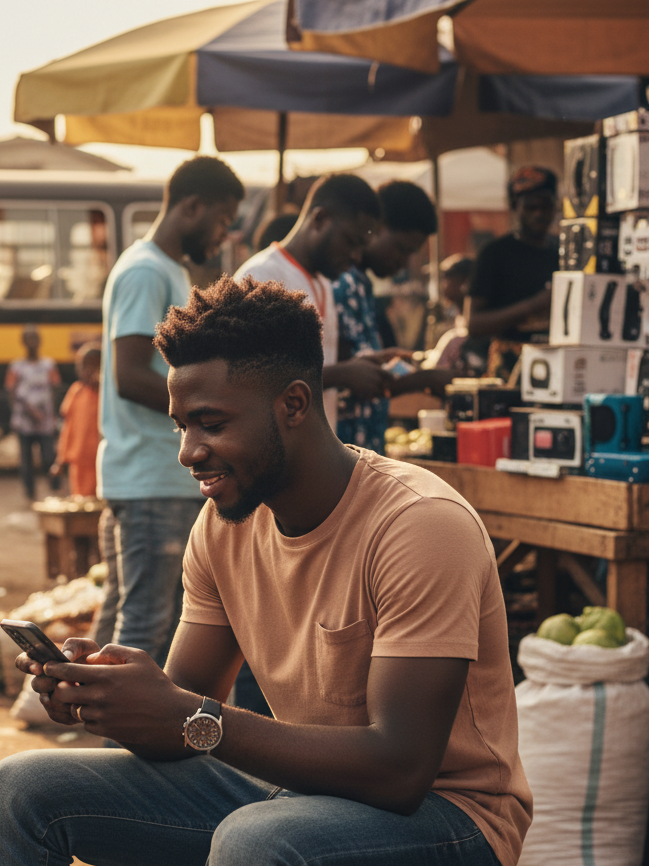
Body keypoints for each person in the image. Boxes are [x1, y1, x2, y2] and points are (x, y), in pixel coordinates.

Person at [0, 276, 531, 866]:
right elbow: (180, 727)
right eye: (180, 424)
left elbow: (401, 772)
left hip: (451, 831)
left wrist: (192, 717)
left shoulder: (419, 525)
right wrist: (110, 697)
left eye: (209, 423)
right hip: (299, 806)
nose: (188, 451)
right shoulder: (224, 525)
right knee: (20, 790)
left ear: (294, 405)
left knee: (255, 845)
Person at [94, 155, 244, 664]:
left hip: (146, 475)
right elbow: (131, 374)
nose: (223, 236)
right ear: (192, 206)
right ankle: (119, 739)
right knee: (146, 625)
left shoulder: (165, 270)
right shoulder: (144, 271)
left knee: (125, 612)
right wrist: (211, 411)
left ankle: (86, 719)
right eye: (222, 220)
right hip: (151, 476)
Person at [233, 173, 383, 430]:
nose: (356, 256)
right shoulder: (261, 276)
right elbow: (247, 378)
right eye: (350, 242)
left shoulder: (323, 281)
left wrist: (365, 363)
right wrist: (343, 374)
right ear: (320, 219)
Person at [332, 180, 450, 453]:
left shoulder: (362, 284)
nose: (403, 261)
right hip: (344, 448)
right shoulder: (344, 284)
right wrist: (427, 379)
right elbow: (354, 376)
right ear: (375, 227)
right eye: (402, 248)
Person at [466, 166, 558, 379]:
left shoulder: (563, 250)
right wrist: (534, 305)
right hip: (509, 366)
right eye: (530, 207)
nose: (539, 214)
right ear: (515, 208)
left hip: (555, 361)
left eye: (545, 206)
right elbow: (474, 324)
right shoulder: (494, 254)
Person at [5, 325, 62, 501]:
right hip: (24, 422)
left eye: (34, 338)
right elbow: (11, 391)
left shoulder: (48, 365)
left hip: (45, 420)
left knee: (48, 457)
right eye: (28, 339)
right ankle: (30, 494)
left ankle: (55, 489)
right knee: (26, 461)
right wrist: (20, 411)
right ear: (23, 342)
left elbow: (56, 389)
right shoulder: (16, 366)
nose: (32, 343)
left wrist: (52, 414)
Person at [50, 344, 101, 498]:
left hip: (98, 461)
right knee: (80, 501)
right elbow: (67, 428)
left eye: (93, 366)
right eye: (83, 366)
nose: (87, 371)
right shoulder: (76, 391)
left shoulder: (105, 394)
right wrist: (60, 460)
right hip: (78, 461)